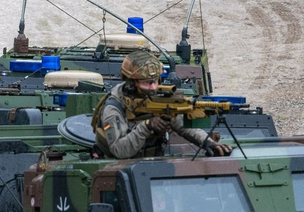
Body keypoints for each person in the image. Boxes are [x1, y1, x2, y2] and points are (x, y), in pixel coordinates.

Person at [94, 50, 231, 159]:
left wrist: (207, 141)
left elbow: (181, 125)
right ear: (131, 84)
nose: (154, 87)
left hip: (153, 164)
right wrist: (147, 125)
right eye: (147, 82)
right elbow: (119, 150)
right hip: (116, 172)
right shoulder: (113, 109)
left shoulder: (157, 98)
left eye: (156, 80)